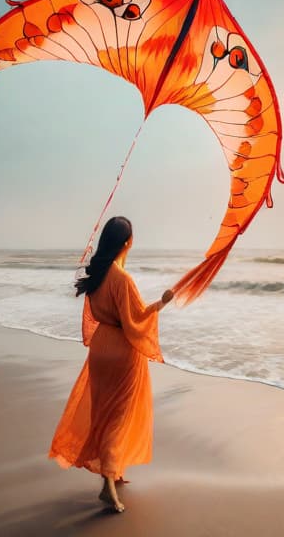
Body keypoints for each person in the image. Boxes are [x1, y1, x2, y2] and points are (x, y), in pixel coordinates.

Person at [48, 216, 174, 513]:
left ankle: (114, 470)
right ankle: (107, 485)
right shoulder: (122, 279)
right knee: (118, 418)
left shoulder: (97, 275)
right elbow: (136, 319)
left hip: (101, 347)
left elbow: (101, 313)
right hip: (120, 351)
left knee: (104, 412)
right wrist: (163, 303)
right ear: (128, 243)